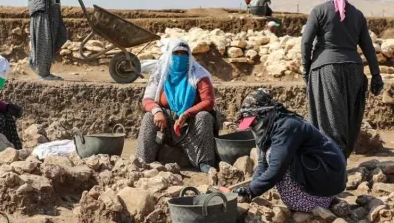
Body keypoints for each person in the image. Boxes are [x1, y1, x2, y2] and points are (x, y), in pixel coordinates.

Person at [302, 0, 383, 159]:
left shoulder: (319, 11)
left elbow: (306, 42)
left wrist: (306, 69)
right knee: (349, 118)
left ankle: (332, 169)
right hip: (354, 70)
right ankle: (341, 161)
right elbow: (368, 47)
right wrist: (376, 75)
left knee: (329, 120)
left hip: (327, 69)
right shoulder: (357, 13)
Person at [233, 89, 346, 212]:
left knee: (274, 154)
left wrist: (251, 191)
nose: (251, 127)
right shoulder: (269, 128)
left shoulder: (286, 126)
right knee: (272, 154)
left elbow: (276, 168)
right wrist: (250, 190)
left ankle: (310, 202)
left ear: (264, 114)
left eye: (252, 123)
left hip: (327, 177)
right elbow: (262, 164)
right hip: (317, 173)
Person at [136, 39, 217, 172]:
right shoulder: (160, 73)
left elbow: (208, 101)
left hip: (189, 124)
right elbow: (148, 99)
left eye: (183, 53)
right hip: (165, 124)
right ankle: (142, 161)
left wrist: (187, 113)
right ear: (169, 55)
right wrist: (157, 111)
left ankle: (204, 162)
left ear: (189, 55)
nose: (180, 56)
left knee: (204, 116)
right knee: (148, 117)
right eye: (176, 53)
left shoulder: (198, 74)